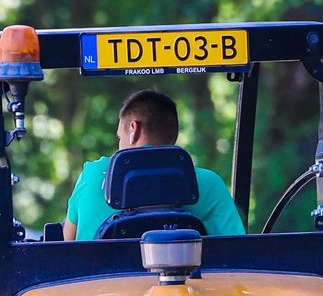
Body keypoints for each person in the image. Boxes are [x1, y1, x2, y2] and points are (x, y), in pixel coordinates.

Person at [63, 88, 247, 240]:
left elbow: (68, 244)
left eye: (119, 137)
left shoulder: (93, 174)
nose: (119, 145)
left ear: (133, 130)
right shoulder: (208, 184)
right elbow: (235, 254)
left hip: (99, 284)